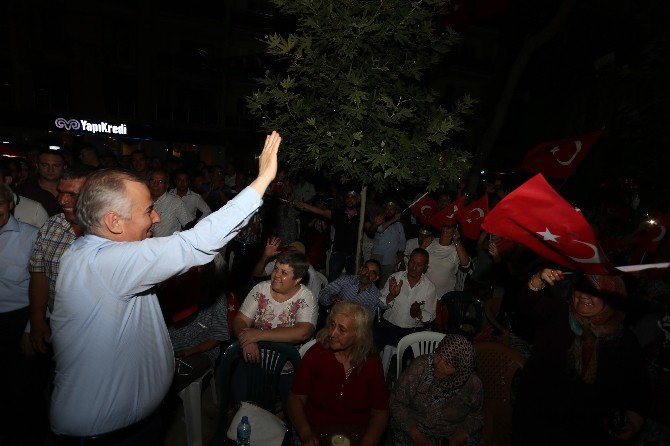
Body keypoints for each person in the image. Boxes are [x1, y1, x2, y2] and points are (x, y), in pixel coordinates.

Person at [48, 131, 281, 442]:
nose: (156, 217)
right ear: (115, 222)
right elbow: (196, 243)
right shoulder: (104, 262)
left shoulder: (97, 255)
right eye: (147, 210)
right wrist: (263, 180)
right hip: (106, 435)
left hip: (134, 425)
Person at [513, 269, 651, 445]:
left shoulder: (624, 341)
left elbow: (639, 387)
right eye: (581, 288)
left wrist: (633, 421)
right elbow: (527, 304)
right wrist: (538, 278)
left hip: (586, 432)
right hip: (535, 419)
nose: (584, 295)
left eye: (595, 292)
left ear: (612, 299)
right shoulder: (559, 313)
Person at [288, 302, 389, 446]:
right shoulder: (317, 354)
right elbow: (295, 399)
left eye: (342, 329)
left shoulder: (371, 363)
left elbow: (380, 411)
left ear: (359, 335)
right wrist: (306, 434)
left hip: (357, 435)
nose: (332, 333)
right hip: (316, 433)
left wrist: (369, 439)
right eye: (332, 325)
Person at [232, 250, 318, 403]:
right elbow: (240, 320)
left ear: (297, 279)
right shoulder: (261, 289)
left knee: (293, 408)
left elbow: (304, 332)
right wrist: (247, 340)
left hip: (286, 367)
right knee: (238, 399)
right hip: (253, 357)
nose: (276, 275)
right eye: (276, 268)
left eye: (284, 272)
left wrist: (259, 335)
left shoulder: (306, 297)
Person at [29, 167, 94, 355]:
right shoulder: (52, 225)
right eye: (60, 193)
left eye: (72, 194)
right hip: (57, 326)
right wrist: (37, 320)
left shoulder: (115, 232)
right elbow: (39, 274)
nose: (62, 200)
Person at [390, 334, 484, 446]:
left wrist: (457, 438)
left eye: (447, 364)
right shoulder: (419, 368)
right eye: (438, 355)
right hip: (415, 427)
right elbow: (396, 403)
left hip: (452, 433)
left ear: (459, 371)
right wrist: (416, 436)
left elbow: (476, 416)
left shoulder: (473, 384)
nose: (438, 364)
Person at [0, 182, 40, 440]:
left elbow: (43, 287)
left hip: (17, 321)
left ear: (11, 203)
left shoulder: (31, 236)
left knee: (21, 392)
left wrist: (31, 328)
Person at [295, 190, 363, 281]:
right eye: (347, 197)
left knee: (353, 282)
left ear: (357, 200)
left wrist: (376, 224)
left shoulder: (361, 216)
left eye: (352, 197)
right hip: (338, 252)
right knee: (332, 280)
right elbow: (322, 212)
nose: (350, 200)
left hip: (354, 254)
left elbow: (371, 229)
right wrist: (305, 205)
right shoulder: (339, 213)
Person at [375, 248, 437, 347]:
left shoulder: (429, 287)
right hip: (389, 326)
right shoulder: (395, 278)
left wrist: (418, 312)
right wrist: (392, 295)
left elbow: (431, 317)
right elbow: (380, 305)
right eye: (412, 262)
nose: (413, 267)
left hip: (413, 330)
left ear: (425, 267)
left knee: (413, 359)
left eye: (419, 265)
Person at [366, 200, 406, 286]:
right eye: (387, 208)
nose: (389, 210)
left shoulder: (399, 225)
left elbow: (402, 242)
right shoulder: (379, 219)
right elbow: (379, 229)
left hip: (391, 258)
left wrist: (400, 257)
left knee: (385, 284)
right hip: (377, 256)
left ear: (396, 211)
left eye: (392, 209)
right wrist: (394, 219)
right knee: (371, 281)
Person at [15, 149, 66, 216]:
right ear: (37, 166)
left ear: (64, 167)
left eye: (56, 165)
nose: (50, 170)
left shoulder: (74, 191)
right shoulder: (23, 191)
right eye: (45, 165)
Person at [149, 169, 192, 237]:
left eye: (160, 181)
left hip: (168, 246)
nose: (155, 184)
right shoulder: (143, 201)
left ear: (167, 185)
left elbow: (190, 226)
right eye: (152, 180)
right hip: (147, 245)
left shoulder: (175, 202)